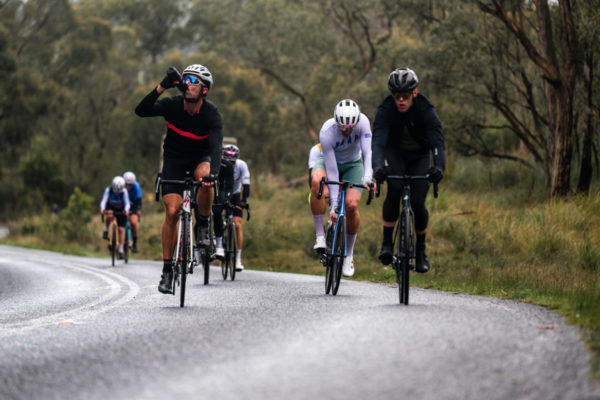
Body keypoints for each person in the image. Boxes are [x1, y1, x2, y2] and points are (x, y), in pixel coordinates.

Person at [135, 64, 223, 294]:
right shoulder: (172, 105)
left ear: (204, 90)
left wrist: (213, 174)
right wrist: (163, 85)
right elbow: (141, 110)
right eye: (187, 79)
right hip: (173, 159)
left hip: (199, 159)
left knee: (205, 178)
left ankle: (203, 223)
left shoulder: (211, 113)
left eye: (195, 81)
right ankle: (167, 270)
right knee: (172, 212)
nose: (189, 83)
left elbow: (216, 148)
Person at [372, 67, 445, 273]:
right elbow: (378, 143)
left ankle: (421, 250)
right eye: (396, 96)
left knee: (418, 201)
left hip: (419, 156)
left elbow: (437, 143)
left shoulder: (425, 109)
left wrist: (438, 166)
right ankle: (387, 244)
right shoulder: (386, 110)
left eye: (405, 96)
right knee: (394, 189)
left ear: (414, 93)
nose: (400, 101)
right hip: (395, 154)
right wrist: (378, 167)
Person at [319, 99, 373, 277]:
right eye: (343, 127)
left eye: (351, 127)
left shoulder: (363, 122)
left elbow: (367, 152)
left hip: (353, 165)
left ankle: (349, 254)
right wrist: (334, 203)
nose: (347, 130)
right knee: (334, 200)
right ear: (337, 122)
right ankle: (331, 220)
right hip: (334, 165)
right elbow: (332, 172)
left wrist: (367, 177)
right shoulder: (327, 132)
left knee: (351, 205)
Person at [222, 144, 250, 271]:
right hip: (222, 192)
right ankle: (219, 241)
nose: (230, 164)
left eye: (232, 162)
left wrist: (243, 201)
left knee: (237, 225)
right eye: (228, 161)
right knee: (218, 217)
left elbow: (246, 184)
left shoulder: (242, 165)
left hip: (235, 194)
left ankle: (238, 258)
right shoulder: (219, 164)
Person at [100, 176, 130, 259]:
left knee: (121, 229)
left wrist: (126, 210)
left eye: (118, 191)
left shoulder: (124, 191)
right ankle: (106, 229)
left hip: (121, 209)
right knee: (109, 215)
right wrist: (102, 209)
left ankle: (121, 250)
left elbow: (127, 203)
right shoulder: (108, 190)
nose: (117, 193)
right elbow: (104, 201)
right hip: (111, 207)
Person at [212, 155, 235, 260]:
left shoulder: (227, 166)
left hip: (219, 190)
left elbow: (230, 186)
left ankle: (219, 245)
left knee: (217, 212)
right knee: (199, 215)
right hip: (203, 188)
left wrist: (227, 198)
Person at [308, 143, 329, 253]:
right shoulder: (316, 149)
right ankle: (320, 236)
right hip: (322, 184)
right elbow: (311, 178)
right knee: (316, 195)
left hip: (337, 180)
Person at [123, 171, 142, 253]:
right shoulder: (121, 187)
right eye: (126, 184)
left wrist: (138, 210)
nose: (127, 186)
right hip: (123, 204)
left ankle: (135, 243)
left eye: (129, 185)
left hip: (133, 205)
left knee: (133, 222)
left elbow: (139, 200)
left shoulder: (136, 187)